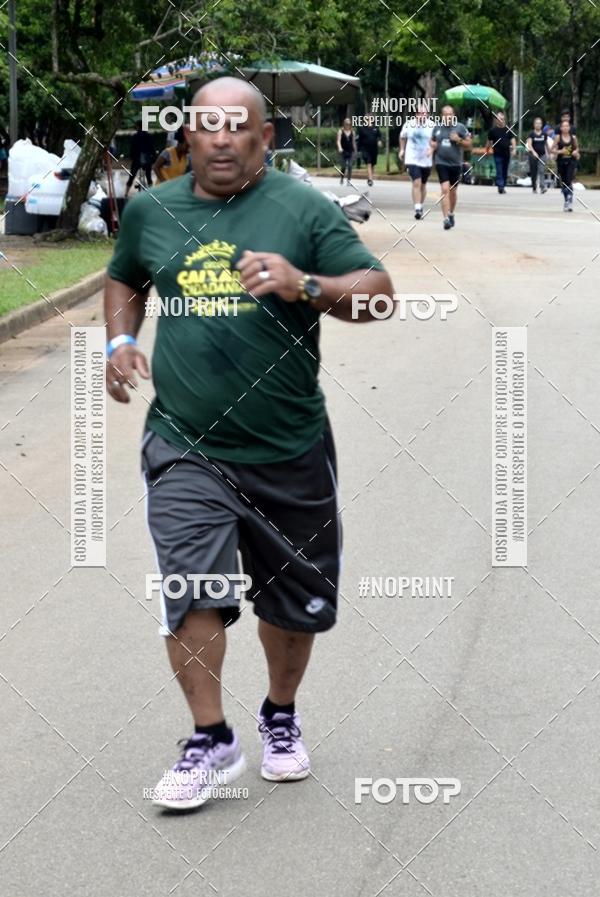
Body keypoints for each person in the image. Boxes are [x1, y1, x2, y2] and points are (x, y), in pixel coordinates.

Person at [104, 76, 394, 810]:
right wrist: (120, 337)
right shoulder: (152, 211)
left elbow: (380, 292)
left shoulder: (301, 209)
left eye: (240, 127)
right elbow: (124, 279)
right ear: (188, 136)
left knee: (291, 608)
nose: (223, 138)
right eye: (209, 126)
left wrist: (305, 284)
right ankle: (210, 735)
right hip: (185, 442)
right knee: (189, 584)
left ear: (265, 138)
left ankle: (280, 714)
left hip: (288, 444)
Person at [430, 104, 472, 230]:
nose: (448, 116)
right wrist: (432, 145)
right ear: (442, 116)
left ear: (453, 115)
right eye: (445, 114)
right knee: (445, 189)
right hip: (441, 163)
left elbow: (469, 145)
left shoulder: (460, 127)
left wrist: (458, 140)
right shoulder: (437, 128)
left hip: (455, 164)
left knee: (453, 192)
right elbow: (432, 141)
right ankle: (446, 218)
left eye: (450, 114)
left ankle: (451, 213)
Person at [398, 105, 434, 220]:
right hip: (412, 159)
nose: (422, 115)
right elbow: (402, 137)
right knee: (416, 183)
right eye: (420, 113)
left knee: (423, 185)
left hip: (426, 160)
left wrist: (432, 149)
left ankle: (420, 205)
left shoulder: (432, 126)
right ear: (416, 114)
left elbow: (436, 141)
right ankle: (417, 208)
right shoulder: (409, 124)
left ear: (427, 114)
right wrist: (402, 149)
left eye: (424, 113)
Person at [552, 119, 580, 211]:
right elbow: (551, 150)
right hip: (561, 162)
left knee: (568, 179)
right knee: (564, 183)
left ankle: (569, 199)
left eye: (567, 126)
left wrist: (575, 152)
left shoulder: (573, 138)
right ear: (561, 128)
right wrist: (560, 151)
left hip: (571, 161)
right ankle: (567, 201)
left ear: (569, 127)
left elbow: (576, 148)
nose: (565, 128)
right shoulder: (558, 138)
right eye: (563, 126)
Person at [486, 111, 516, 194]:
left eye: (502, 119)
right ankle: (500, 186)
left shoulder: (508, 130)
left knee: (505, 171)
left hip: (506, 154)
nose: (501, 121)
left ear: (504, 120)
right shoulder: (493, 130)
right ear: (496, 120)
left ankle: (503, 185)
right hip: (497, 154)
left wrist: (514, 149)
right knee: (499, 170)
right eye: (499, 119)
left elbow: (513, 139)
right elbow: (488, 141)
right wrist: (487, 151)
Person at [125, 121, 155, 196]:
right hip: (147, 160)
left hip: (136, 160)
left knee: (131, 176)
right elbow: (152, 149)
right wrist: (153, 157)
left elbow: (132, 149)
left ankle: (126, 193)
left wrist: (131, 157)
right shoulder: (149, 136)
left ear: (138, 127)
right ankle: (152, 193)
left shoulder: (135, 136)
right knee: (149, 177)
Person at [526, 117, 550, 193]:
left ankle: (542, 187)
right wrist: (534, 152)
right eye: (536, 123)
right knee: (534, 172)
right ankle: (534, 187)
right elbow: (529, 145)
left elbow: (546, 144)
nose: (538, 125)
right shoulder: (531, 134)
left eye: (540, 123)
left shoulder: (544, 134)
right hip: (533, 155)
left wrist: (549, 153)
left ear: (542, 125)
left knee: (542, 171)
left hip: (542, 155)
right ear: (534, 124)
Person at [357, 116, 381, 186]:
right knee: (369, 162)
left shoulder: (376, 128)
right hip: (365, 149)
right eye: (367, 119)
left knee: (373, 164)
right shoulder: (362, 129)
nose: (368, 120)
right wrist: (358, 149)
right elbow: (360, 140)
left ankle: (370, 178)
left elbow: (379, 136)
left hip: (374, 149)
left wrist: (379, 141)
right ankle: (370, 179)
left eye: (370, 119)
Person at [336, 118, 356, 185]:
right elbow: (338, 140)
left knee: (350, 166)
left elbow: (353, 142)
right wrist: (340, 148)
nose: (348, 125)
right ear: (344, 124)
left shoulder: (352, 132)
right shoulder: (340, 131)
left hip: (350, 150)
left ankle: (349, 180)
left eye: (349, 124)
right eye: (346, 124)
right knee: (344, 166)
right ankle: (342, 178)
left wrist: (355, 150)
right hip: (343, 151)